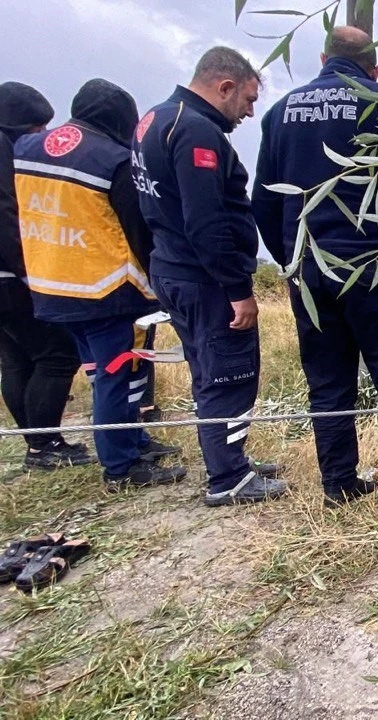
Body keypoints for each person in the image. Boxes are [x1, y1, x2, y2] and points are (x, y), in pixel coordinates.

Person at [252, 27, 378, 506]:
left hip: (311, 271)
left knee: (329, 382)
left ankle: (338, 485)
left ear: (323, 58)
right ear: (374, 68)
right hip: (377, 269)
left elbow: (262, 199)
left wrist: (290, 260)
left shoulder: (281, 112)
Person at [13, 79, 184, 491]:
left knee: (98, 372)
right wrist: (159, 277)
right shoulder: (113, 160)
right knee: (115, 375)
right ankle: (121, 467)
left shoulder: (26, 148)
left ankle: (132, 438)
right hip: (104, 288)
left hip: (51, 283)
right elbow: (137, 229)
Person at [133, 47, 286, 507]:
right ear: (225, 86)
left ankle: (229, 459)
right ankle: (228, 479)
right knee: (229, 374)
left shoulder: (156, 119)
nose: (249, 111)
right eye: (247, 98)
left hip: (173, 268)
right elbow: (206, 220)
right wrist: (238, 290)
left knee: (206, 370)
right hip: (204, 279)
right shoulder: (197, 131)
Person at [0, 82, 91, 470]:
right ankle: (45, 445)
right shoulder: (4, 153)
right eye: (36, 129)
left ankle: (36, 443)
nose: (40, 137)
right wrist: (29, 268)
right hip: (8, 275)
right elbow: (7, 213)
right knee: (57, 352)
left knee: (17, 357)